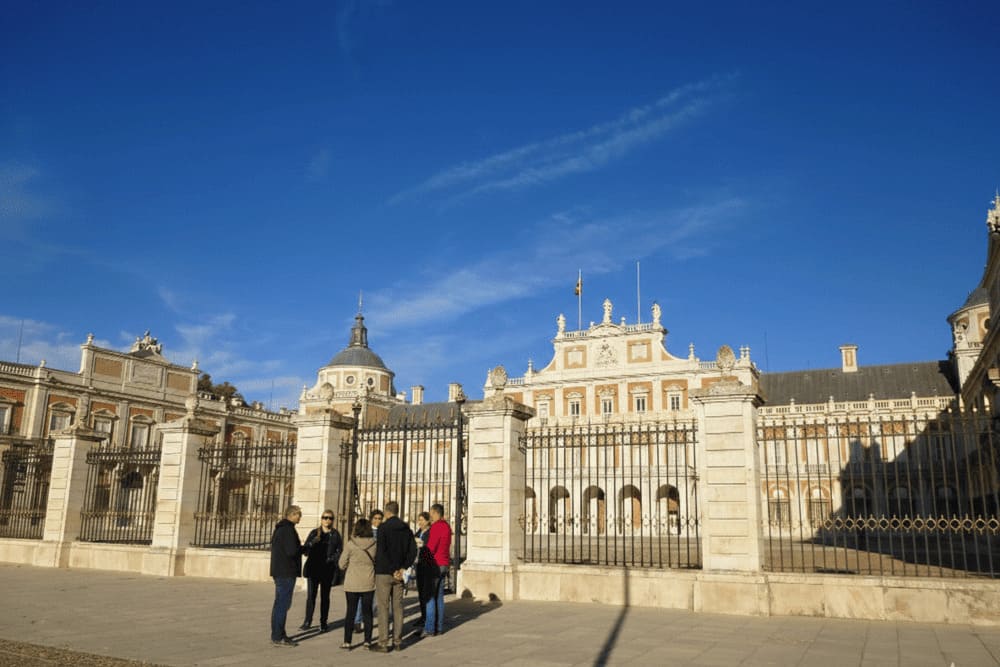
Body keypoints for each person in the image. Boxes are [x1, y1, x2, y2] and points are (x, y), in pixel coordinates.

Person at [370, 501, 415, 652]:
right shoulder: (406, 528)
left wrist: (392, 569)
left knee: (383, 607)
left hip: (384, 572)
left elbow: (382, 551)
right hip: (399, 575)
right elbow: (413, 551)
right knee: (398, 606)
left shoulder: (383, 528)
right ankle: (398, 641)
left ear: (387, 512)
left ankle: (383, 642)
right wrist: (403, 568)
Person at [299, 509, 343, 633]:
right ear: (321, 519)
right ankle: (307, 621)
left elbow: (339, 551)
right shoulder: (314, 533)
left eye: (330, 518)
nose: (327, 520)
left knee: (325, 597)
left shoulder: (335, 534)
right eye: (325, 517)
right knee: (311, 596)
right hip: (314, 568)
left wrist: (332, 559)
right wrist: (313, 543)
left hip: (327, 569)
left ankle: (323, 622)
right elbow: (306, 550)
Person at [339, 518, 377, 650]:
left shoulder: (350, 544)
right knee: (368, 613)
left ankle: (347, 641)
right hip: (368, 581)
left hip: (352, 582)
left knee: (351, 612)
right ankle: (368, 641)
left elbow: (341, 564)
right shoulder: (374, 544)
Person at [269, 505, 304, 647]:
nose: (300, 517)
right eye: (298, 515)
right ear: (291, 515)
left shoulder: (280, 528)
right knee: (283, 604)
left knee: (279, 604)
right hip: (286, 571)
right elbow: (291, 551)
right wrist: (304, 548)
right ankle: (278, 636)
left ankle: (278, 633)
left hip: (279, 571)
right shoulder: (288, 530)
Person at [423, 503, 452, 638]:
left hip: (434, 564)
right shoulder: (447, 527)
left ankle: (429, 628)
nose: (430, 516)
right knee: (439, 597)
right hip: (444, 563)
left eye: (431, 513)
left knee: (430, 597)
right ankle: (439, 627)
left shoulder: (436, 527)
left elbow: (431, 548)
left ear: (435, 513)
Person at [355, 509, 383, 632]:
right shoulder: (367, 531)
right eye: (375, 518)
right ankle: (358, 620)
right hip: (366, 566)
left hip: (378, 566)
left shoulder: (383, 531)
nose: (377, 521)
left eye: (379, 518)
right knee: (363, 595)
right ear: (371, 519)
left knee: (372, 596)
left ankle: (366, 619)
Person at [412, 511, 433, 629]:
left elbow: (429, 546)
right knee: (420, 592)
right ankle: (423, 615)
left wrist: (422, 544)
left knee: (426, 593)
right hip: (418, 563)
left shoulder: (430, 532)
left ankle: (427, 617)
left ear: (428, 521)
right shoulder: (419, 532)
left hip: (426, 564)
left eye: (422, 520)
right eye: (419, 520)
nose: (420, 522)